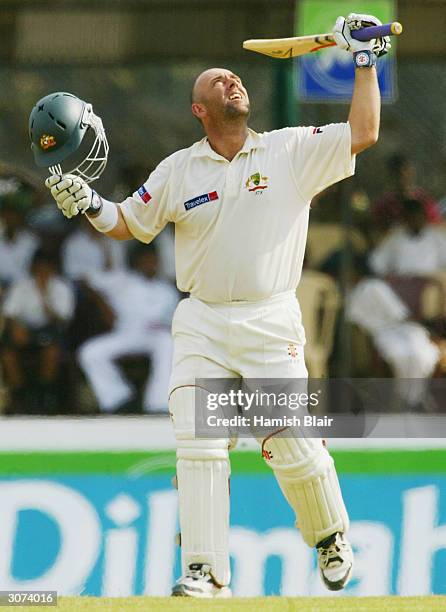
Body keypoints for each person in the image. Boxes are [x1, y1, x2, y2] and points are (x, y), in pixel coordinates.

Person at [44, 12, 388, 598]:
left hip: (268, 318)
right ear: (199, 109)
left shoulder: (288, 151)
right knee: (198, 443)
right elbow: (131, 222)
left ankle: (329, 534)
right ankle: (204, 571)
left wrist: (364, 62)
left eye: (235, 78)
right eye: (217, 81)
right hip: (201, 320)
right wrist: (90, 204)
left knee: (290, 446)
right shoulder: (180, 169)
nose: (232, 82)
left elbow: (362, 133)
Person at [77, 243, 178, 413]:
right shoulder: (121, 280)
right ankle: (118, 399)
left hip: (155, 337)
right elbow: (86, 279)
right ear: (137, 261)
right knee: (90, 352)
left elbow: (176, 321)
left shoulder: (167, 289)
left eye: (153, 260)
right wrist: (103, 305)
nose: (150, 264)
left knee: (169, 343)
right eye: (146, 260)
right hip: (125, 334)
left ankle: (158, 403)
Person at [1, 249, 75, 413]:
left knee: (51, 350)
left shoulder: (61, 287)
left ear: (53, 269)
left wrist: (44, 296)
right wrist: (17, 328)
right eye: (39, 268)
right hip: (25, 330)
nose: (42, 272)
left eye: (46, 268)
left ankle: (43, 395)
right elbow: (9, 314)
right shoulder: (22, 285)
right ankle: (20, 396)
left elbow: (61, 320)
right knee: (7, 352)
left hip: (51, 331)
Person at [370, 198, 446, 276]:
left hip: (431, 282)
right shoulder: (394, 237)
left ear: (424, 217)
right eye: (412, 217)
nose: (416, 221)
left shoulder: (436, 236)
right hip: (402, 282)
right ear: (405, 219)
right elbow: (376, 263)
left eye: (419, 216)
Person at [372, 153, 441, 232]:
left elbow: (436, 228)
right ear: (391, 175)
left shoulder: (424, 201)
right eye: (397, 172)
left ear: (411, 171)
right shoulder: (384, 206)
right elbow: (379, 234)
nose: (402, 176)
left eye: (405, 170)